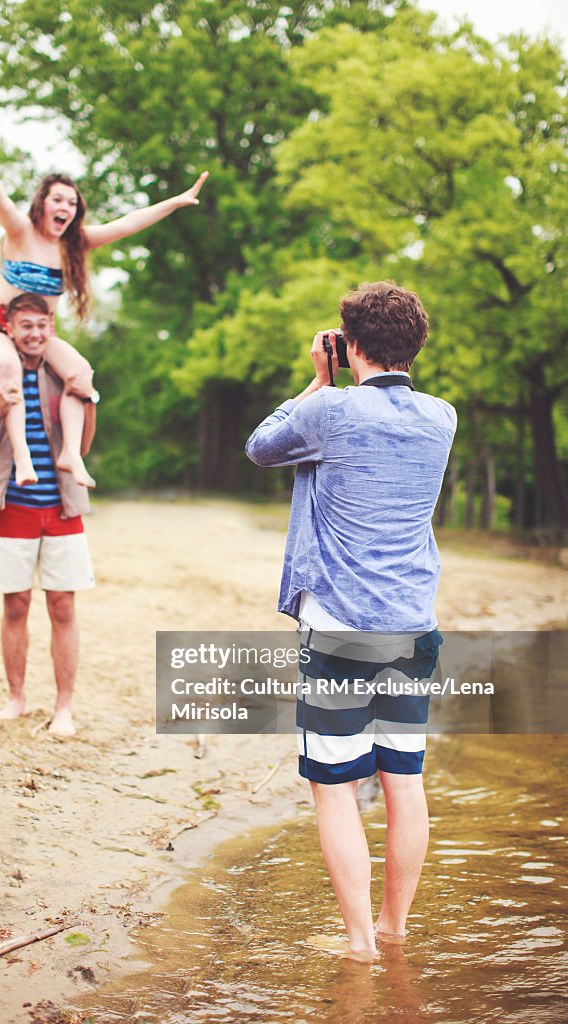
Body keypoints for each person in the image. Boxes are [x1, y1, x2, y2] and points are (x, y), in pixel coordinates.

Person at [245, 281, 457, 960]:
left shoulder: (330, 410)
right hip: (412, 625)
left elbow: (259, 447)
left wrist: (316, 380)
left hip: (340, 628)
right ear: (414, 345)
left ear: (349, 343)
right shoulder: (443, 416)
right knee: (404, 783)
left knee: (335, 791)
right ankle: (396, 931)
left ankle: (361, 944)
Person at [0, 123, 208, 488]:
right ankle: (23, 455)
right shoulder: (20, 232)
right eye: (58, 200)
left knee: (81, 374)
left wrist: (174, 202)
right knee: (6, 364)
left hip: (39, 333)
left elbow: (126, 224)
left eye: (72, 202)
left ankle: (71, 455)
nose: (65, 207)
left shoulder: (74, 244)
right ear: (42, 204)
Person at [0, 293, 98, 737]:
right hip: (11, 508)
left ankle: (64, 708)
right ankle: (17, 698)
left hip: (62, 508)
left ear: (51, 326)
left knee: (63, 606)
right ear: (9, 329)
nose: (35, 334)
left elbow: (81, 448)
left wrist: (89, 399)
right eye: (26, 326)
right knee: (16, 605)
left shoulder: (64, 374)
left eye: (42, 325)